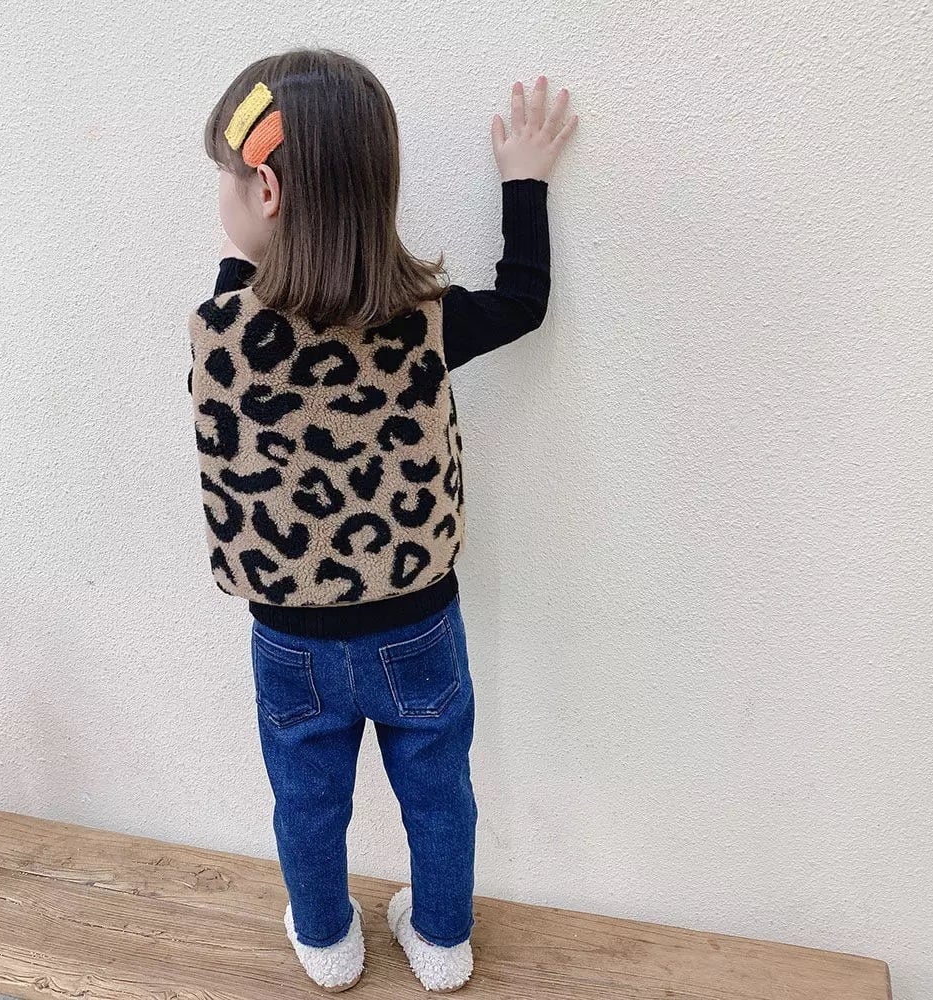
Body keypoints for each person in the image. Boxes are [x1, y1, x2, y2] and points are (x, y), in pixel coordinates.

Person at [186, 47, 577, 993]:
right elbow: (524, 302)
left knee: (307, 803)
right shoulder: (425, 321)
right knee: (439, 796)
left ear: (267, 191)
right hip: (418, 625)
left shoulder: (222, 326)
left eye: (228, 179)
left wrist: (256, 243)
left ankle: (325, 941)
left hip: (289, 637)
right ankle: (442, 940)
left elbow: (241, 283)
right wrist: (524, 183)